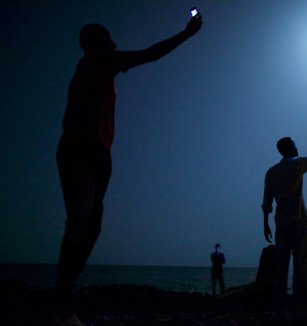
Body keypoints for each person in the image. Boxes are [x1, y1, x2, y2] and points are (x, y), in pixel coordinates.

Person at [53, 14, 202, 325]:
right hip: (85, 152)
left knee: (87, 224)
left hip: (89, 151)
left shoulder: (93, 68)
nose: (115, 43)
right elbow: (150, 54)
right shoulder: (97, 61)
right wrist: (186, 34)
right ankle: (60, 304)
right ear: (97, 44)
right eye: (109, 38)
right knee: (83, 224)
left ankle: (62, 299)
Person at [262, 125, 307, 321]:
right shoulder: (299, 164)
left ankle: (279, 310)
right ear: (289, 149)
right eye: (294, 144)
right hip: (298, 221)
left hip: (280, 224)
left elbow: (266, 204)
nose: (297, 147)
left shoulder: (271, 172)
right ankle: (300, 310)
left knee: (281, 269)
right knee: (301, 267)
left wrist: (265, 225)